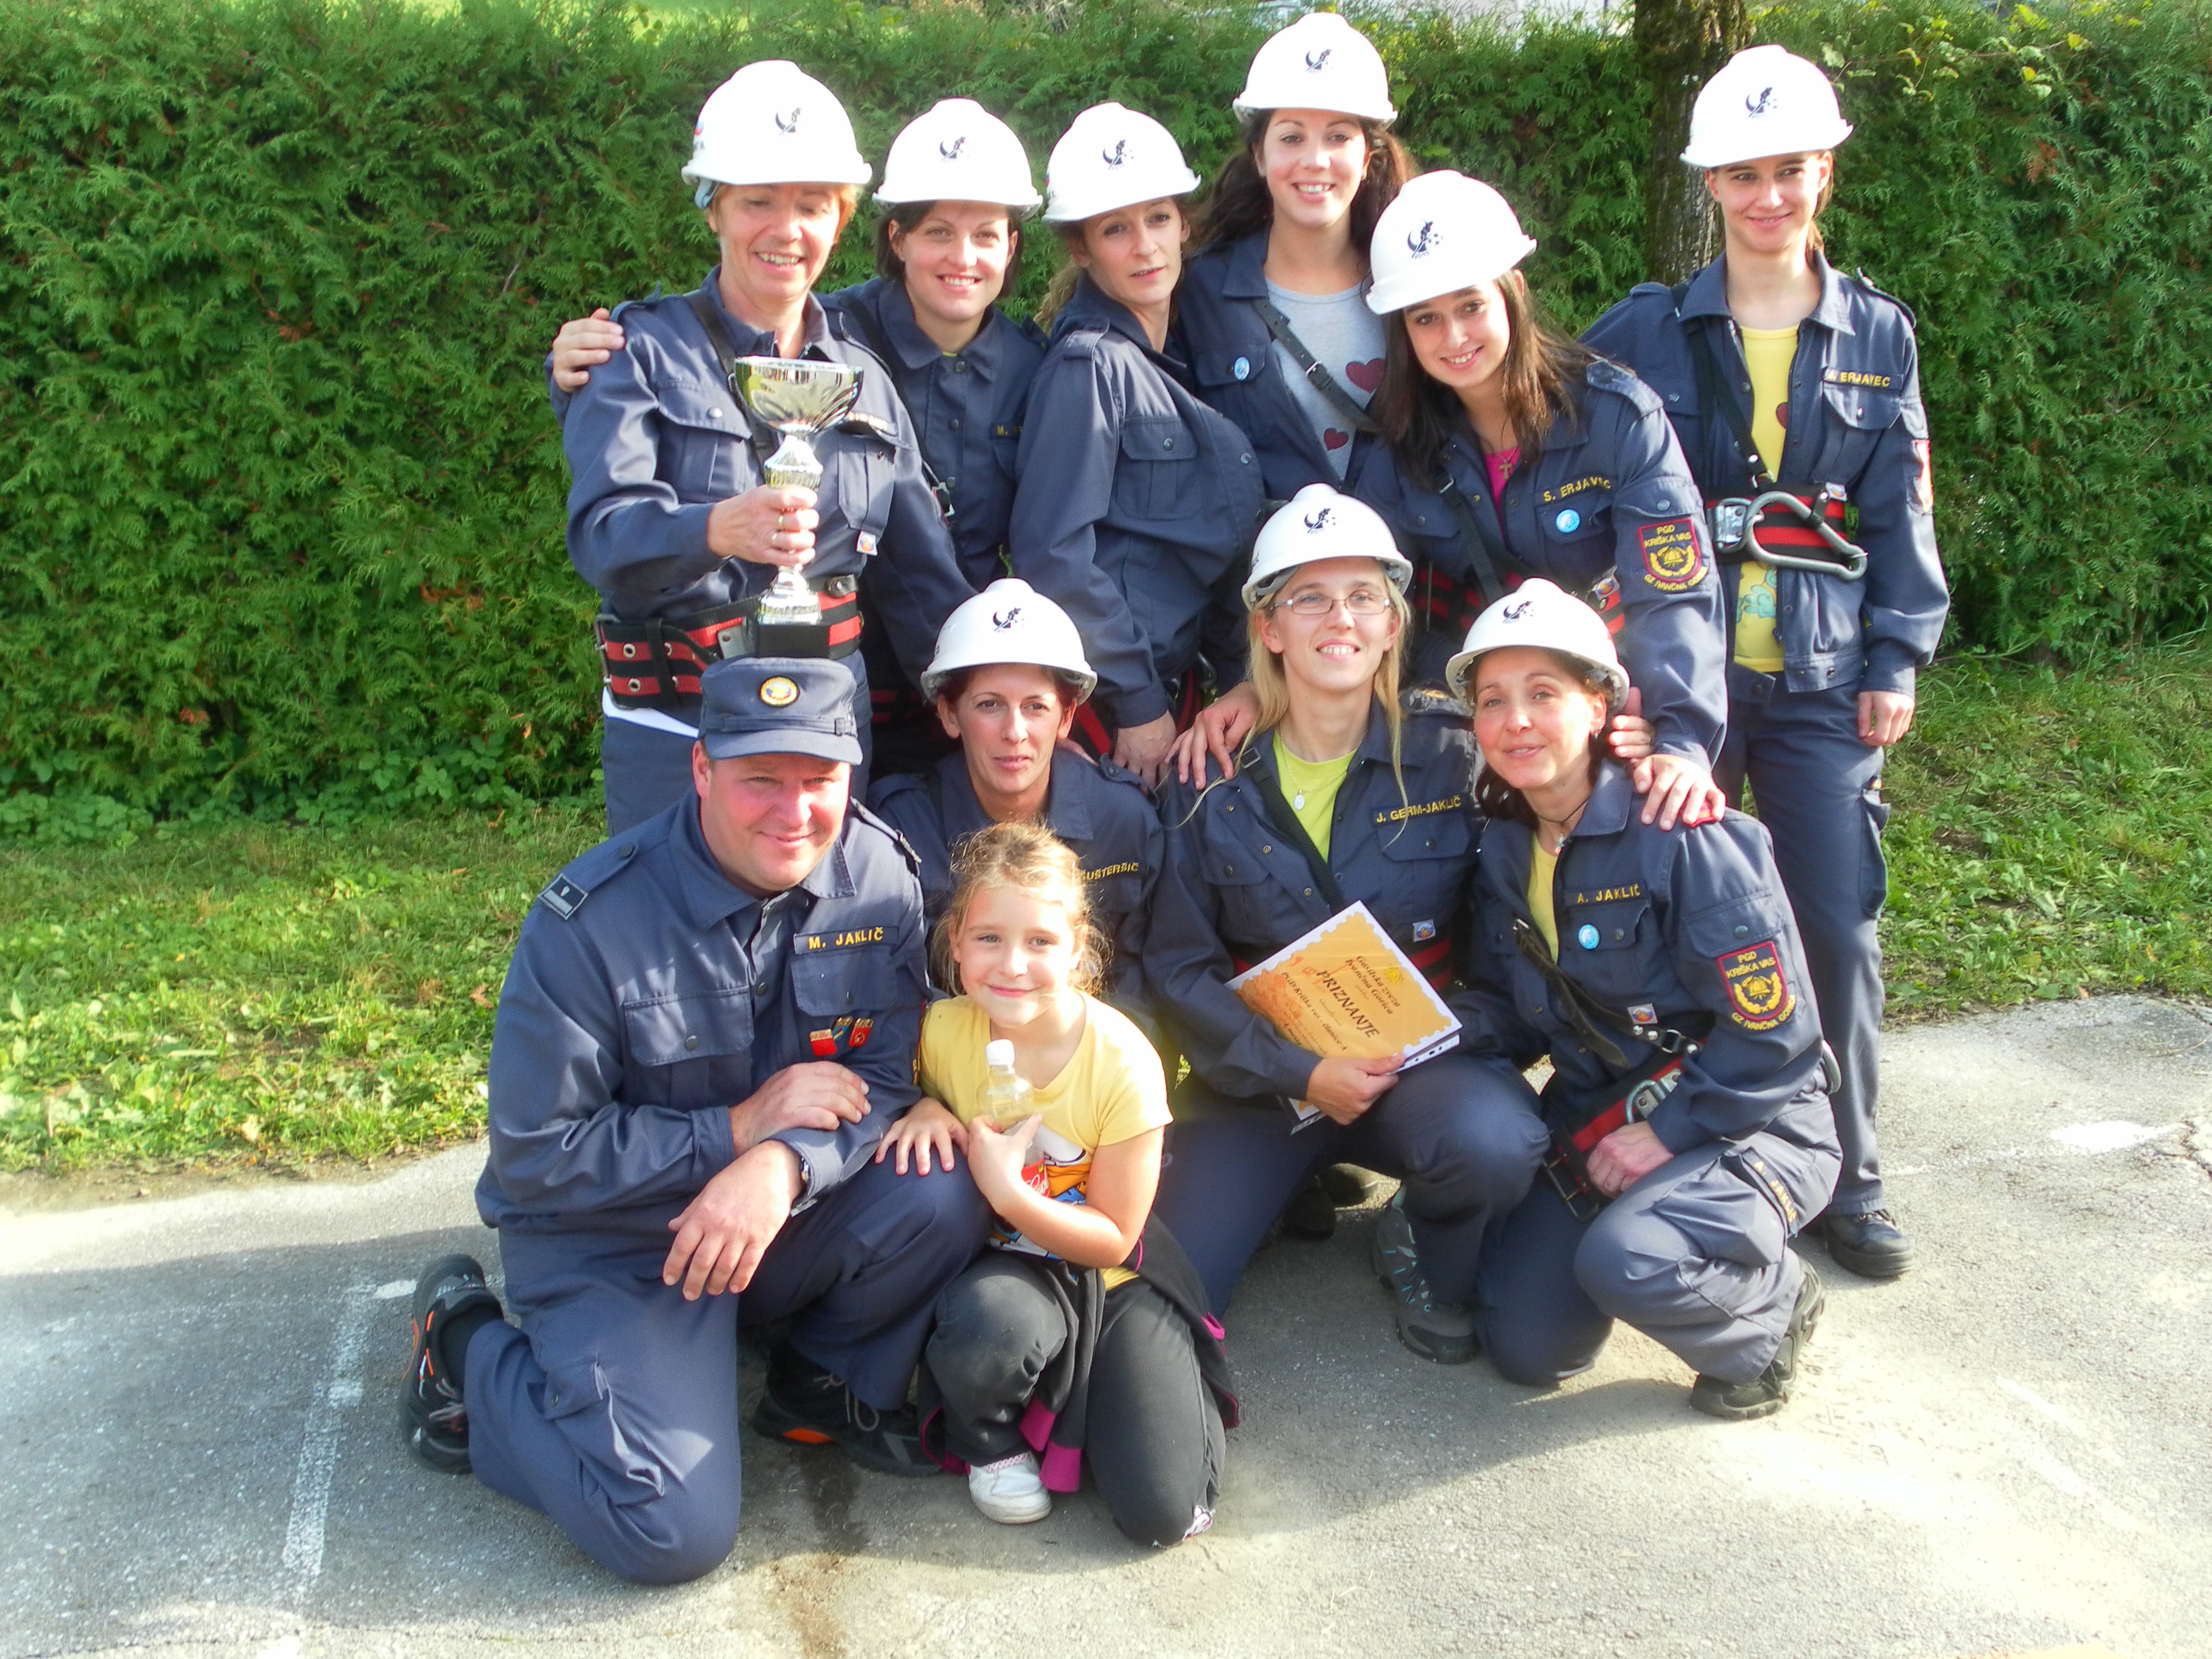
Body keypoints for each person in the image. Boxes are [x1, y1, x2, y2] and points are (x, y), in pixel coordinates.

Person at [397, 656, 989, 1585]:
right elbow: (536, 1159)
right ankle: (462, 1343)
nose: (795, 812)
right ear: (703, 770)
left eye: (819, 780)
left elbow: (880, 1072)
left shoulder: (879, 874)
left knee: (943, 1184)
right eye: (762, 780)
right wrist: (733, 1132)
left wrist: (780, 1165)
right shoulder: (591, 923)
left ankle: (817, 1377)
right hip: (621, 1240)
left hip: (776, 1213)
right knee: (667, 1533)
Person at [1581, 46, 1949, 1281]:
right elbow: (1578, 481)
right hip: (1677, 688)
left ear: (1823, 173)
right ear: (1711, 186)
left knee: (1832, 925)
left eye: (1788, 169)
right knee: (1664, 916)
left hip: (1819, 683)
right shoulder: (1641, 331)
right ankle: (1688, 1145)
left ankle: (1848, 1172)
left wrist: (1897, 655)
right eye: (1742, 175)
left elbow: (1900, 514)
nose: (1767, 196)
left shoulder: (1877, 336)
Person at [1180, 170, 1726, 833]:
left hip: (1604, 702)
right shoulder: (1400, 444)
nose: (1454, 337)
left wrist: (1678, 738)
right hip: (1471, 711)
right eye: (1426, 319)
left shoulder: (1617, 418)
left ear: (1511, 292)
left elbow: (1674, 593)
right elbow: (1355, 584)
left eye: (1470, 306)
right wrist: (1257, 684)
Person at [1144, 483, 1550, 1360]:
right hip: (1263, 1083)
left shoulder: (1455, 756)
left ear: (1394, 624)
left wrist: (1431, 1041)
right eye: (1310, 598)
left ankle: (1423, 1236)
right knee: (1168, 1288)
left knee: (1494, 1144)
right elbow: (1180, 969)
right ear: (1269, 628)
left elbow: (1509, 955)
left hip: (1419, 1070)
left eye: (1365, 596)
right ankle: (1286, 1182)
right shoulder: (1205, 775)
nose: (1341, 619)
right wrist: (1301, 1071)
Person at [554, 99, 1054, 778]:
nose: (786, 230)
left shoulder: (864, 379)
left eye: (813, 206)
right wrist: (718, 529)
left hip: (831, 728)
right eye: (758, 201)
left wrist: (1002, 706)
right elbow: (604, 539)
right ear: (713, 209)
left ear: (839, 222)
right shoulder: (635, 351)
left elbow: (921, 582)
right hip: (680, 728)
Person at [1448, 581, 1837, 1419]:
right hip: (1602, 1116)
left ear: (1600, 707)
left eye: (1543, 694)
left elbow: (1776, 1033)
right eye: (1493, 701)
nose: (1516, 721)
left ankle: (1772, 1310)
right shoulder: (1506, 850)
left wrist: (1665, 1133)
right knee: (1525, 1347)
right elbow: (1511, 1009)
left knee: (1629, 1260)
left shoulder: (1684, 833)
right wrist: (1418, 1037)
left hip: (1748, 1117)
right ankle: (1660, 1237)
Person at [875, 822, 1233, 1545]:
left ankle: (1130, 1387)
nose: (1012, 965)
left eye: (1040, 941)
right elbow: (887, 1093)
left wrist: (1009, 1194)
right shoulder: (937, 1032)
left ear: (1077, 948)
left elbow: (1114, 1238)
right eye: (988, 938)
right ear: (954, 942)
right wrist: (921, 1104)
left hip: (1110, 1273)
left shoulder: (1124, 1059)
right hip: (1007, 1274)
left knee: (1162, 1514)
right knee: (991, 1327)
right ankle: (989, 1439)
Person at [1010, 102, 1267, 787]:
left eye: (1157, 219)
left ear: (1184, 225)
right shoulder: (1089, 366)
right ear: (1081, 249)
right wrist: (1139, 704)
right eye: (1115, 229)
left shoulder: (1179, 360)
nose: (1145, 246)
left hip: (1176, 688)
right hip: (1115, 711)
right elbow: (1054, 554)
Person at [867, 578, 1164, 1042]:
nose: (1015, 732)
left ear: (1066, 718)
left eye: (1036, 707)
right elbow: (888, 990)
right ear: (949, 714)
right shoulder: (901, 827)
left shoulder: (1123, 819)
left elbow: (1142, 984)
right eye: (989, 705)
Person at [1176, 11, 1413, 500]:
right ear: (1259, 156)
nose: (1315, 160)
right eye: (1291, 137)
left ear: (1367, 158)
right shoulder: (1200, 292)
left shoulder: (1414, 281)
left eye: (1338, 136)